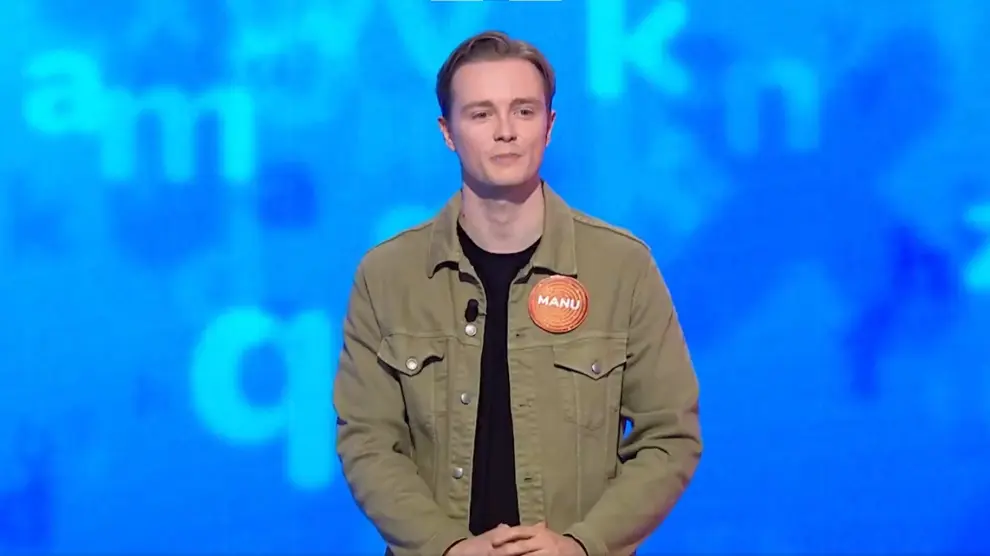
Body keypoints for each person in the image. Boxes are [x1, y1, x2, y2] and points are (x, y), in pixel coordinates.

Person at [333, 30, 702, 556]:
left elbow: (669, 437)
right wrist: (445, 548)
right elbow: (368, 441)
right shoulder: (387, 276)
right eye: (481, 113)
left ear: (549, 126)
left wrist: (581, 546)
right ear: (447, 132)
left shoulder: (623, 267)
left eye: (523, 111)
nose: (505, 132)